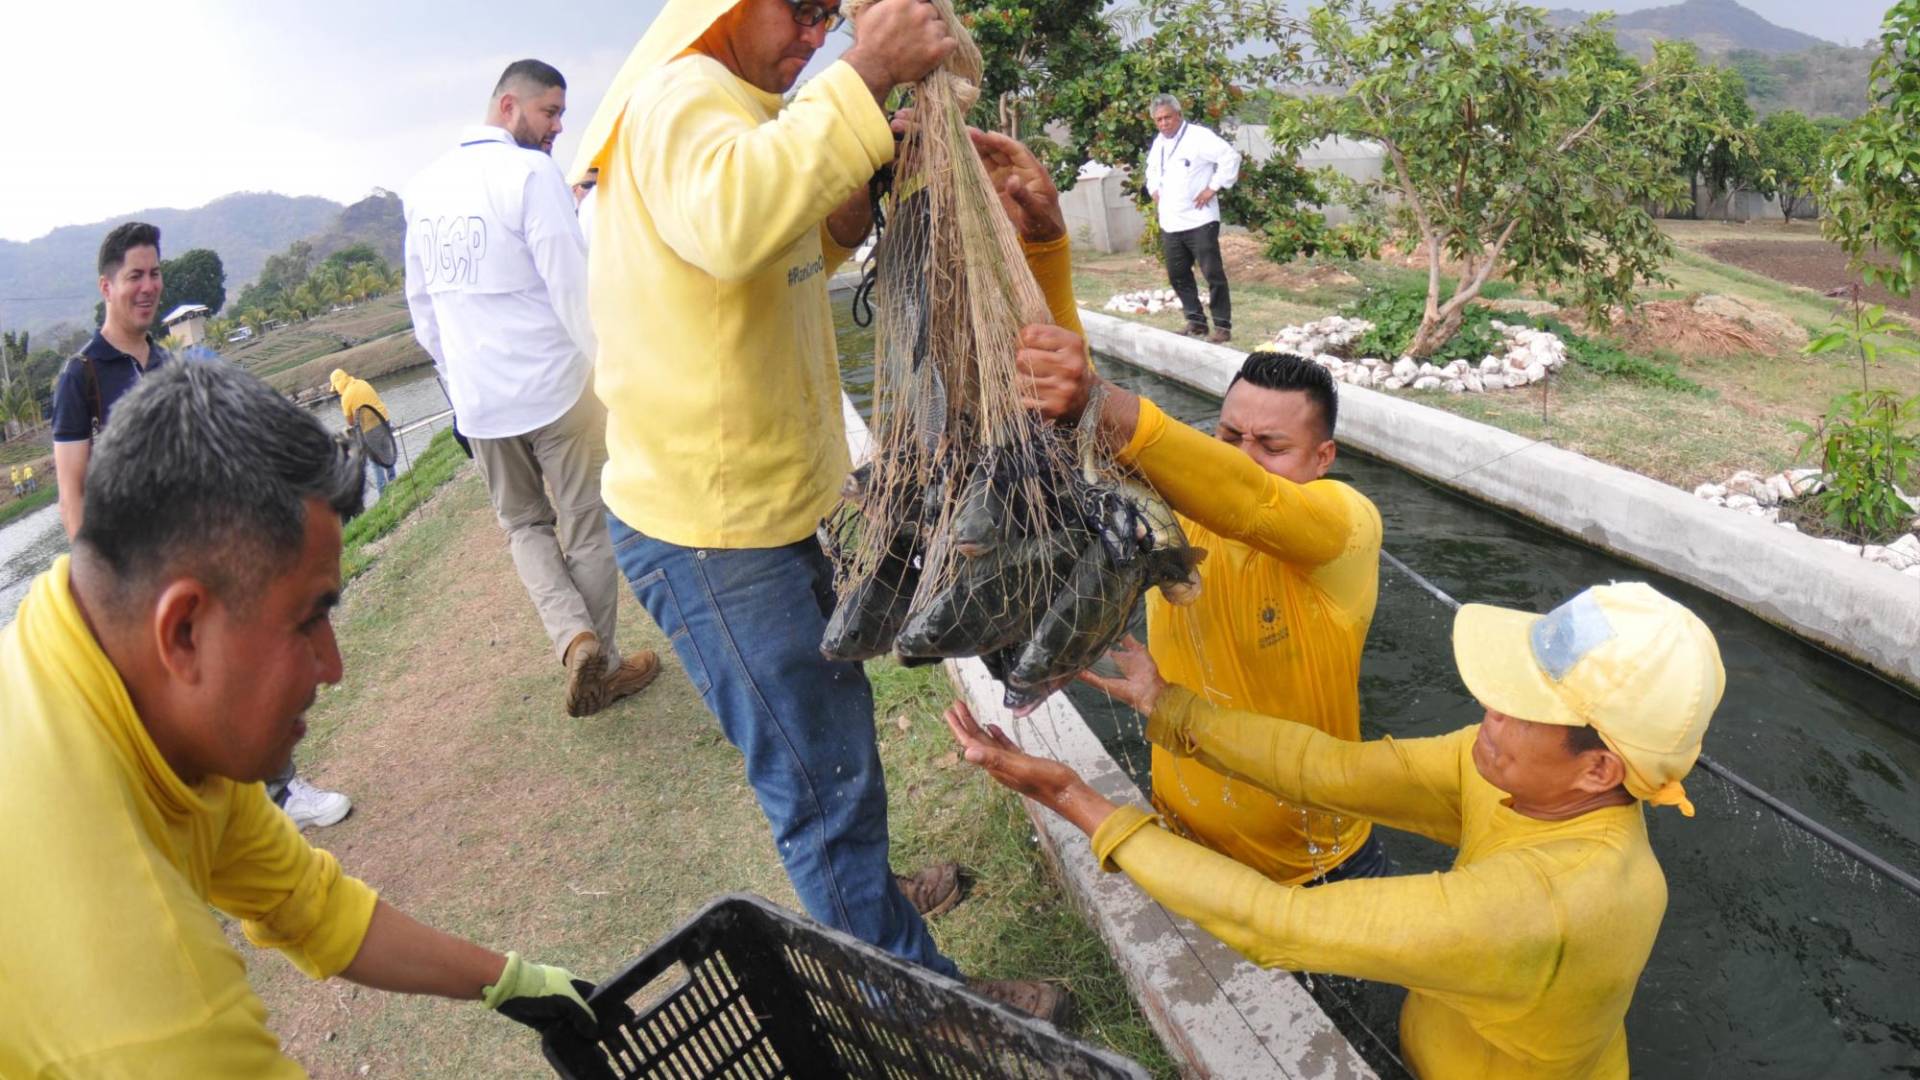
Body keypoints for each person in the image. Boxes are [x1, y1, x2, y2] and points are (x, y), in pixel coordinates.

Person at [569, 0, 1081, 1019]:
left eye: (829, 16)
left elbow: (788, 254)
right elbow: (734, 222)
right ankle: (929, 1012)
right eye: (804, 11)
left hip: (759, 512)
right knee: (821, 786)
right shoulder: (680, 98)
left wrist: (854, 194)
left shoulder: (738, 106)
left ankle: (869, 902)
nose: (816, 33)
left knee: (834, 750)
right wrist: (868, 67)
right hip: (710, 534)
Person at [0, 361, 613, 1076]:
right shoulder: (150, 1004)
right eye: (310, 618)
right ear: (184, 633)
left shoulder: (91, 652)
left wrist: (509, 980)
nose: (334, 666)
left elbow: (307, 905)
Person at [948, 581, 1726, 1079]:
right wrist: (1169, 705)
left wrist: (1077, 799)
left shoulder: (1552, 906)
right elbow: (1327, 768)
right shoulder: (1515, 772)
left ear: (1600, 769)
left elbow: (1275, 924)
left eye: (1524, 709)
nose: (1490, 709)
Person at [1015, 341, 1387, 885]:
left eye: (1271, 445)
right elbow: (1071, 403)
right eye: (1229, 436)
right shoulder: (1174, 512)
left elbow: (1249, 498)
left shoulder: (1347, 525)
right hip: (1187, 851)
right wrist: (1046, 258)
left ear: (1322, 458)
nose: (1241, 455)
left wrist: (1098, 398)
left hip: (1323, 869)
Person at [52, 223, 354, 830]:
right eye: (134, 275)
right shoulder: (80, 376)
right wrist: (105, 593)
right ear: (106, 286)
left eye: (154, 273)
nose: (148, 286)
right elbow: (71, 494)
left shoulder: (169, 364)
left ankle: (280, 793)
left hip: (204, 559)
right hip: (137, 582)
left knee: (249, 670)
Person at [404, 60, 660, 719]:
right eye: (550, 113)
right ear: (510, 105)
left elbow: (423, 309)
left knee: (523, 525)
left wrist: (460, 380)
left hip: (482, 403)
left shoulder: (425, 187)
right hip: (555, 386)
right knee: (584, 526)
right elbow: (572, 287)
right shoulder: (531, 173)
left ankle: (572, 639)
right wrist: (611, 368)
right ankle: (597, 656)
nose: (557, 129)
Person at [1143, 94, 1241, 344]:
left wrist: (1213, 187)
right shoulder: (1159, 143)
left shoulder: (1199, 137)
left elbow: (1230, 157)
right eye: (1158, 120)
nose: (1163, 123)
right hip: (1171, 221)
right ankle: (1196, 322)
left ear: (1178, 115)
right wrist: (1153, 188)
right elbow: (1152, 170)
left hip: (1200, 219)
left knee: (1212, 273)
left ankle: (1222, 326)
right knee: (1177, 274)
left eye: (1167, 118)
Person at [330, 368, 398, 493]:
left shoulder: (346, 398)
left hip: (369, 430)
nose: (337, 392)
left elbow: (350, 422)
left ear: (338, 385)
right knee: (387, 453)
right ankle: (394, 481)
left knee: (376, 462)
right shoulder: (362, 382)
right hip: (383, 421)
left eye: (336, 388)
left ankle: (383, 491)